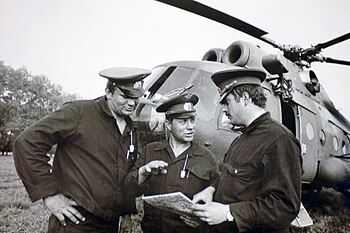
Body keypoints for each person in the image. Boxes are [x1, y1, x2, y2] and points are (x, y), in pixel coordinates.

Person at [13, 67, 150, 233]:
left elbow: (126, 174)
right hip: (76, 223)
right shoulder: (79, 113)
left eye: (136, 97)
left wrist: (126, 213)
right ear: (108, 91)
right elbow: (27, 142)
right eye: (125, 96)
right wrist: (50, 195)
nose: (131, 103)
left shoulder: (131, 128)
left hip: (110, 224)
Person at [190, 68, 302, 233]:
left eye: (227, 102)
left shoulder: (280, 140)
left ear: (245, 98)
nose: (225, 110)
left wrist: (228, 213)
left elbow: (285, 206)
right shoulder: (240, 139)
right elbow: (228, 177)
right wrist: (211, 190)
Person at [125, 93, 219, 233]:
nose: (190, 127)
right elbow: (128, 187)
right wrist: (143, 172)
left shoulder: (206, 157)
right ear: (168, 124)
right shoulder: (151, 151)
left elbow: (218, 192)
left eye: (192, 120)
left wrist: (202, 219)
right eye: (183, 121)